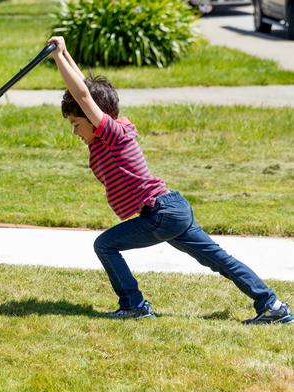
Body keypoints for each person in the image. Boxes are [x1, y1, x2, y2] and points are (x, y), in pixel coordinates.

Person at [47, 36, 291, 324]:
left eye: (77, 124)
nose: (75, 131)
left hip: (161, 212)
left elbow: (84, 97)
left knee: (105, 245)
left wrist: (57, 59)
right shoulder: (108, 135)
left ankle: (134, 305)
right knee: (219, 260)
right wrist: (64, 53)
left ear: (95, 117)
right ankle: (271, 305)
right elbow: (84, 92)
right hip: (172, 209)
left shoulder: (113, 135)